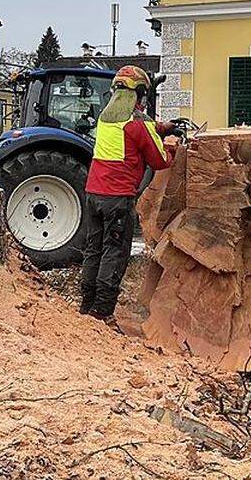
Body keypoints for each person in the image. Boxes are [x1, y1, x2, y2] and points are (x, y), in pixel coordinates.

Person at [79, 66, 176, 322]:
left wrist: (160, 127)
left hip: (93, 194)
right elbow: (159, 160)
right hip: (117, 199)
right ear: (140, 94)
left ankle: (86, 305)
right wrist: (172, 146)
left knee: (94, 249)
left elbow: (131, 131)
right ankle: (103, 312)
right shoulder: (138, 124)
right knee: (114, 252)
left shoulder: (105, 118)